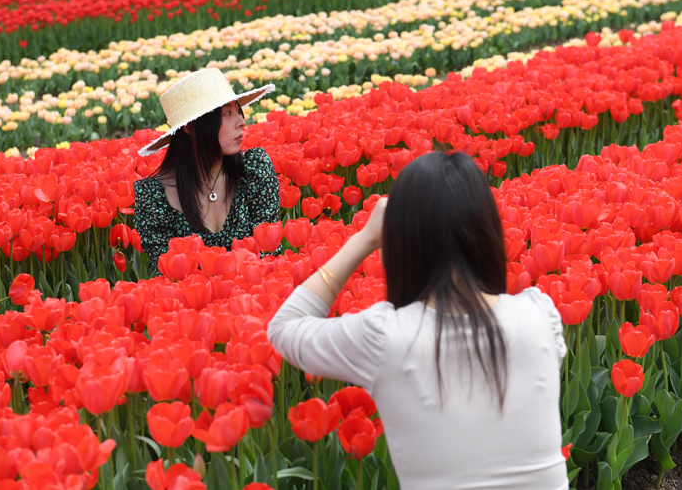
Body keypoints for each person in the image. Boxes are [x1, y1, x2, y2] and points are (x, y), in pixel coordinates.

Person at [268, 152, 568, 490]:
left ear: (401, 241)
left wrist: (364, 238)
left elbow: (284, 327)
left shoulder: (387, 337)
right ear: (488, 230)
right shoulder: (540, 316)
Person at [134, 68, 279, 274]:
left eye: (238, 110)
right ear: (191, 127)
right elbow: (170, 279)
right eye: (227, 113)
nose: (242, 122)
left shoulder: (253, 172)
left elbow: (271, 257)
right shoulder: (155, 199)